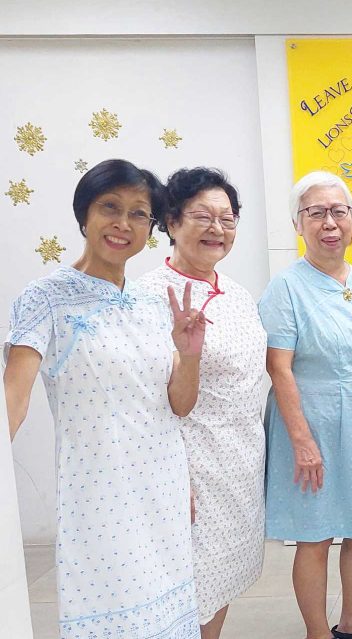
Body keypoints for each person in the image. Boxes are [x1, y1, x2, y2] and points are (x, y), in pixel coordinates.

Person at [4, 159, 205, 638]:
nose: (123, 223)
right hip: (99, 495)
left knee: (167, 614)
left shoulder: (153, 303)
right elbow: (15, 393)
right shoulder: (46, 297)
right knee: (112, 611)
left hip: (163, 486)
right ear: (84, 216)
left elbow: (178, 405)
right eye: (109, 207)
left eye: (139, 214)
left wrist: (189, 355)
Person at [259, 170, 352, 639]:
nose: (329, 222)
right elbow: (279, 367)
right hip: (310, 419)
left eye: (338, 212)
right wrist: (302, 441)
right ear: (298, 225)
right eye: (316, 212)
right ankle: (318, 633)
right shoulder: (286, 288)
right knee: (315, 533)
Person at [138, 167, 266, 639]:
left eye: (227, 219)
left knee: (220, 580)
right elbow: (148, 404)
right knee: (183, 590)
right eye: (203, 216)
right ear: (172, 222)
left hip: (239, 464)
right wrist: (171, 477)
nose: (217, 229)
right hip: (188, 470)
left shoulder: (237, 294)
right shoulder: (148, 298)